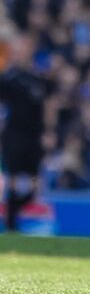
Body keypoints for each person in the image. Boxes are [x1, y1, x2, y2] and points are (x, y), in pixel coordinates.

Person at [0, 33, 49, 233]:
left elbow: (46, 106)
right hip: (14, 134)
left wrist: (49, 131)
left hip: (34, 136)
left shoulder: (38, 79)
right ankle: (11, 224)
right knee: (12, 178)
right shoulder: (7, 78)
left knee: (34, 184)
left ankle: (15, 213)